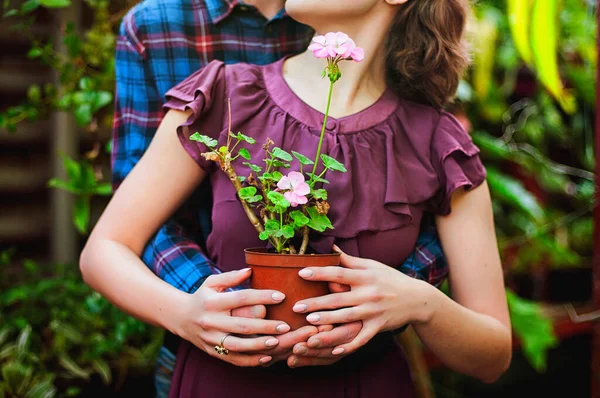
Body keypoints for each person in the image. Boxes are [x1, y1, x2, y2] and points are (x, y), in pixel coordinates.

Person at [87, 0, 511, 396]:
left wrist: (421, 303)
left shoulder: (440, 143)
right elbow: (104, 249)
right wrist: (185, 314)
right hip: (220, 380)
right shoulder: (224, 94)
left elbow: (492, 357)